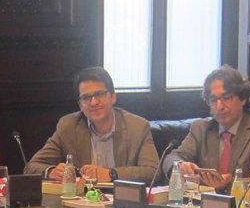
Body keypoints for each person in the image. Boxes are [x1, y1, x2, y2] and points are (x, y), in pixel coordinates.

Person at [25, 67, 159, 183]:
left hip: (123, 201)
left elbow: (154, 172)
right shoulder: (68, 126)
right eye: (86, 98)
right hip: (81, 202)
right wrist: (50, 172)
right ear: (80, 105)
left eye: (99, 94)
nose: (94, 102)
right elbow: (31, 166)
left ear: (113, 97)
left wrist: (111, 174)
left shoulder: (137, 127)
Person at [162, 66, 250, 192]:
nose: (219, 106)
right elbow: (171, 158)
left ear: (243, 98)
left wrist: (226, 185)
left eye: (226, 98)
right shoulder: (201, 128)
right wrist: (180, 165)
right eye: (213, 100)